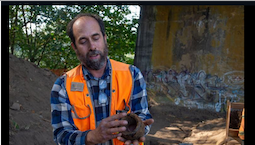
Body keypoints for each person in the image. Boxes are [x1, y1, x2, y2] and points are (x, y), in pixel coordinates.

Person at [50, 13, 154, 145]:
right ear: (74, 47)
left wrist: (139, 129)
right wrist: (91, 137)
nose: (92, 46)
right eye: (83, 42)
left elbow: (143, 115)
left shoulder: (132, 75)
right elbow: (61, 135)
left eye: (96, 38)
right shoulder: (63, 86)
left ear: (104, 38)